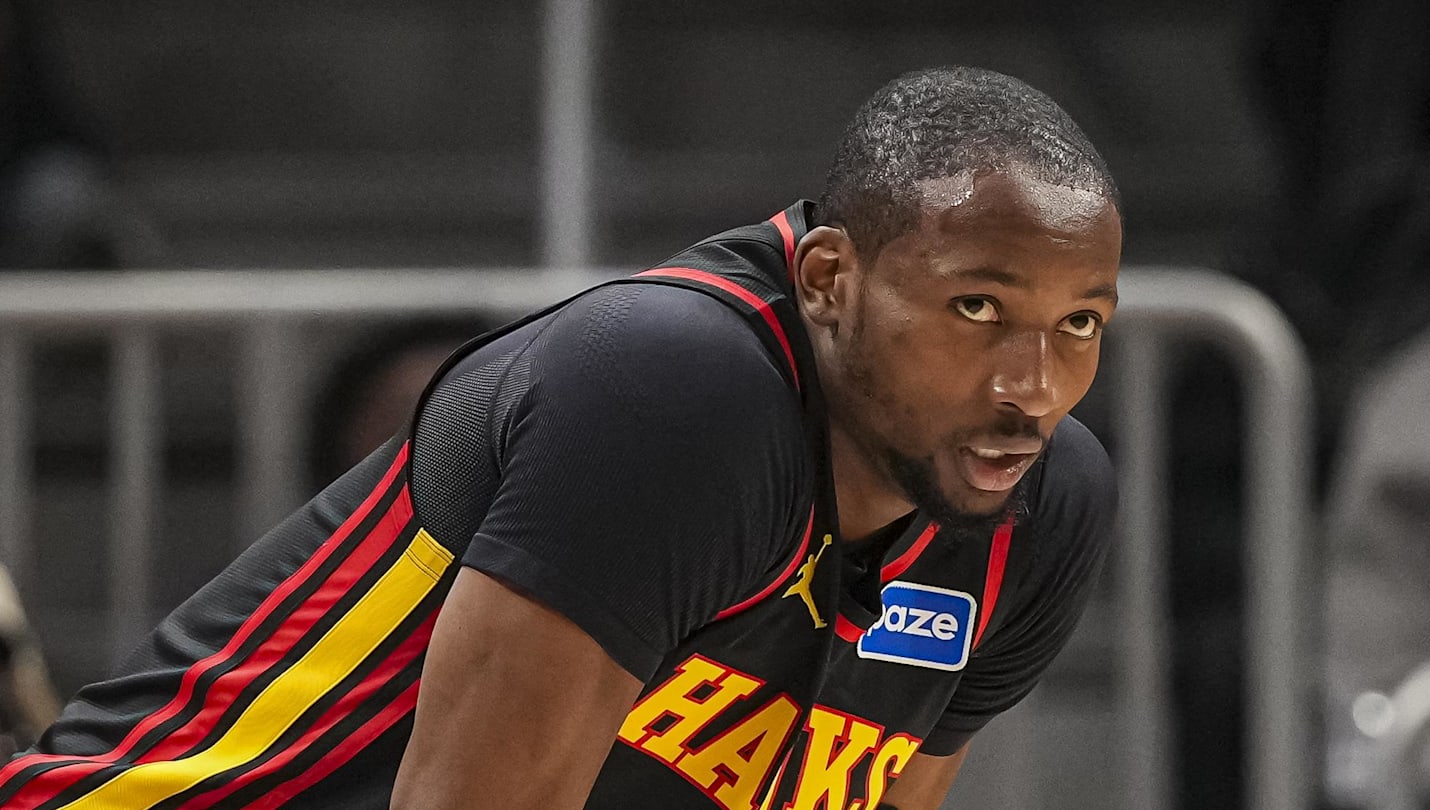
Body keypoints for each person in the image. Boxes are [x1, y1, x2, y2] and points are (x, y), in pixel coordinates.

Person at [0, 65, 1123, 809]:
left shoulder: (1042, 505)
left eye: (1079, 325)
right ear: (828, 279)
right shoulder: (677, 393)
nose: (1032, 387)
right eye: (977, 310)